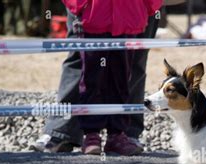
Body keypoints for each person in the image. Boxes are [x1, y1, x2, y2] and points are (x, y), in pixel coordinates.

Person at [32, 0, 161, 155]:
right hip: (92, 16)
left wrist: (148, 6)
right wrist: (79, 6)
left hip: (130, 14)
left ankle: (120, 134)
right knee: (87, 74)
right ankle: (83, 133)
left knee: (125, 74)